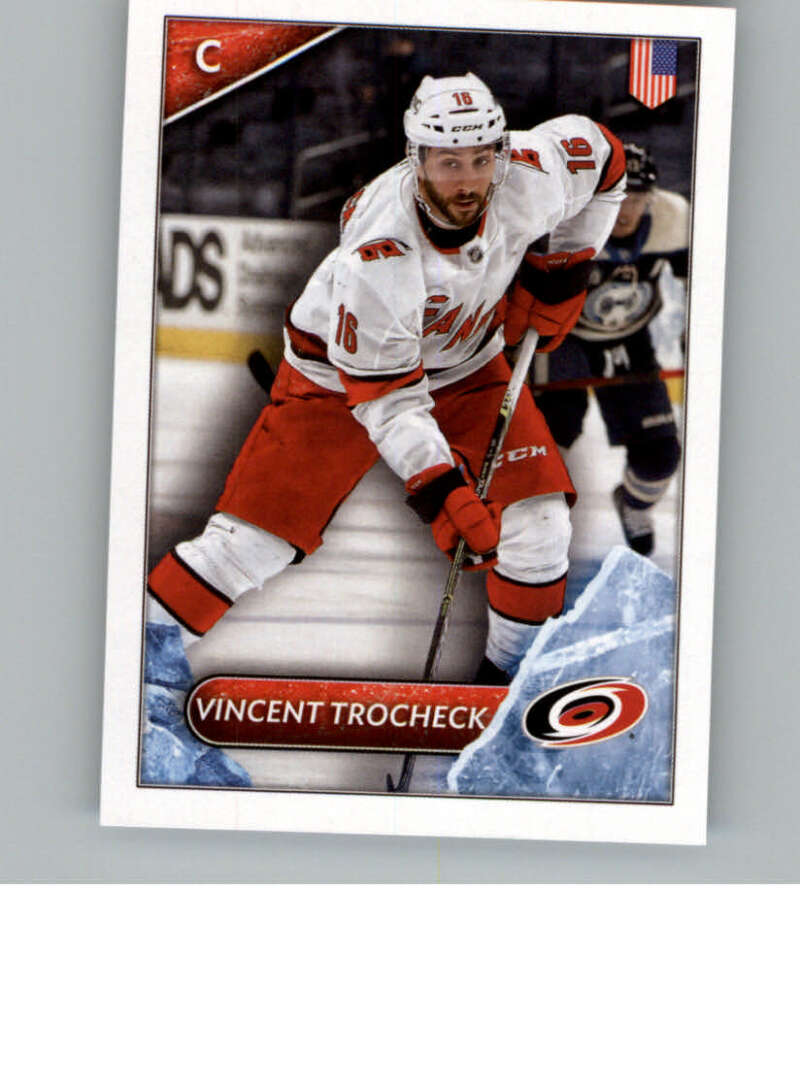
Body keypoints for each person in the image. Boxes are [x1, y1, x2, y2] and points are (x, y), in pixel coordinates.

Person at [147, 73, 626, 687]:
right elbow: (390, 402)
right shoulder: (380, 251)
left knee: (539, 524)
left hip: (468, 367)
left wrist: (564, 266)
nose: (468, 181)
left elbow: (605, 158)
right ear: (416, 158)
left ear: (501, 152)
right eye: (449, 163)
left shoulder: (531, 173)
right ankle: (133, 672)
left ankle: (509, 690)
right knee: (248, 546)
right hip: (336, 383)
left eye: (481, 160)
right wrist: (442, 492)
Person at [534, 142, 689, 555]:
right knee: (548, 444)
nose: (626, 210)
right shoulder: (564, 222)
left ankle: (633, 505)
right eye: (619, 197)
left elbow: (703, 286)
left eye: (637, 198)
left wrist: (697, 336)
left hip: (628, 339)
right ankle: (532, 530)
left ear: (651, 198)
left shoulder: (674, 220)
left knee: (660, 456)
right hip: (562, 340)